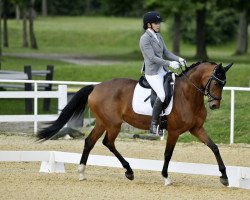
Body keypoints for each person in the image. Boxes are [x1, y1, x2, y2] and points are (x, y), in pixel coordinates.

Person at [139, 11, 187, 135]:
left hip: (162, 70)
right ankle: (154, 124)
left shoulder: (158, 36)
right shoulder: (145, 39)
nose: (158, 25)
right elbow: (152, 58)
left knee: (173, 90)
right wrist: (169, 64)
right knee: (161, 95)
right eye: (156, 23)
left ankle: (165, 121)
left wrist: (178, 59)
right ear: (149, 25)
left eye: (159, 23)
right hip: (152, 73)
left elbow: (166, 52)